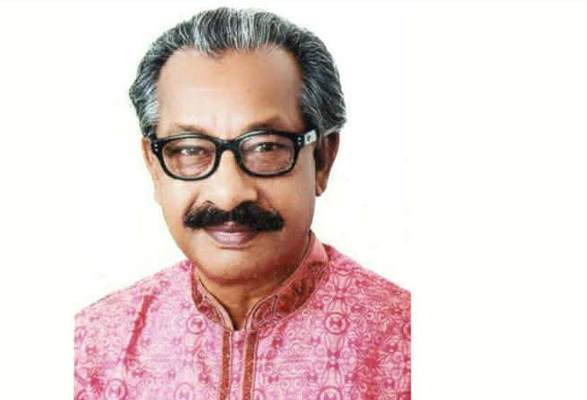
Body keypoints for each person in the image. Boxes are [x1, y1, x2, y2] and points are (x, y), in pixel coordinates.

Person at [75, 7, 410, 400]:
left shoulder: (408, 348)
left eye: (265, 147)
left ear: (322, 159)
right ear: (154, 166)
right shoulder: (91, 351)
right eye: (190, 149)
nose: (228, 193)